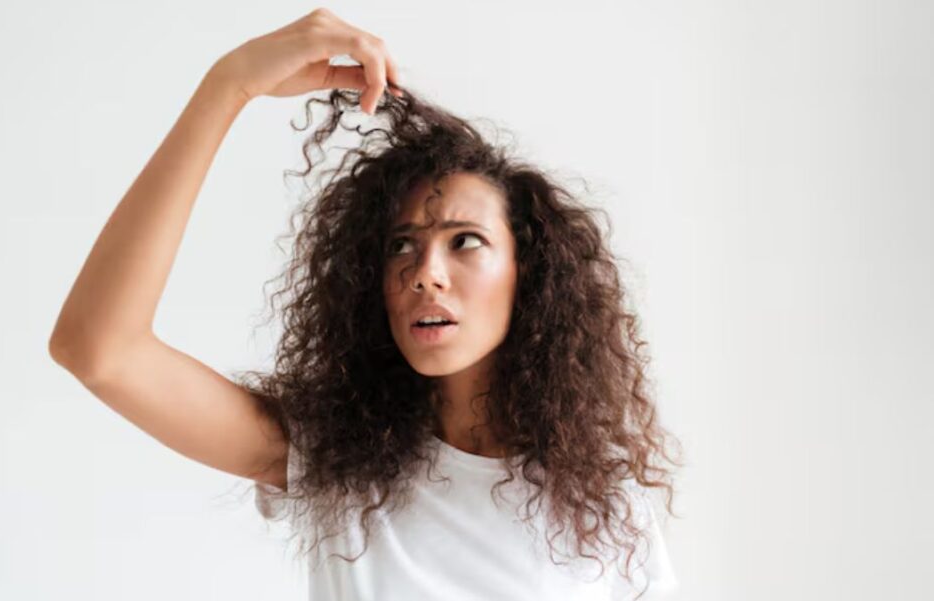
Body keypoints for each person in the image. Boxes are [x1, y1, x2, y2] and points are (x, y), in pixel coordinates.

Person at [48, 8, 683, 600]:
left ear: (531, 275)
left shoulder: (610, 516)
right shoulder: (337, 463)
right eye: (401, 246)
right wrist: (228, 87)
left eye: (466, 242)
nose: (426, 274)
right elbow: (100, 349)